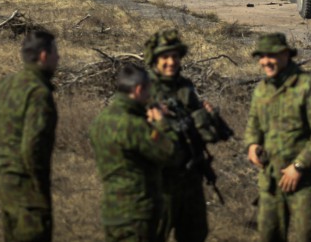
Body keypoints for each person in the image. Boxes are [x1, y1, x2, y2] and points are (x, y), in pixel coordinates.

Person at [244, 33, 311, 242]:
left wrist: (299, 166)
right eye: (262, 56)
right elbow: (254, 123)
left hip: (303, 180)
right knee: (269, 234)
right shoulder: (261, 90)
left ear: (286, 55)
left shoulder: (309, 86)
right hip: (270, 180)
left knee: (309, 234)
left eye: (272, 56)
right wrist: (252, 144)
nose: (266, 62)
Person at [144, 29, 232, 242]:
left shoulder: (185, 87)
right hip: (161, 182)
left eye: (175, 56)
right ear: (155, 60)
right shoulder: (145, 90)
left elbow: (210, 133)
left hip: (191, 178)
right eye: (165, 57)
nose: (171, 62)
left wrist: (210, 117)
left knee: (195, 234)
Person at [90, 63, 177, 242]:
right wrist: (162, 124)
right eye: (148, 91)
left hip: (111, 210)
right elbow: (169, 154)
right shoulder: (134, 125)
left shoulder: (100, 121)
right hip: (137, 212)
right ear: (138, 90)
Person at [0, 30, 60, 242]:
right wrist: (38, 186)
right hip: (26, 185)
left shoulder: (8, 83)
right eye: (55, 53)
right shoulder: (39, 93)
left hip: (5, 179)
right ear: (43, 56)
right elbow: (33, 146)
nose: (58, 58)